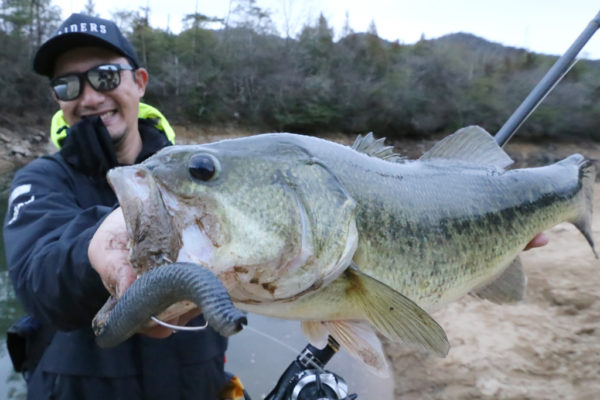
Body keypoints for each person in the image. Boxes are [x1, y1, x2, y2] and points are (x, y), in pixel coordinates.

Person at [3, 13, 243, 399]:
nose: (91, 98)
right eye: (68, 85)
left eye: (106, 77)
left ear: (140, 82)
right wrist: (95, 247)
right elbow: (38, 279)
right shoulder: (39, 180)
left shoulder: (198, 172)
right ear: (57, 98)